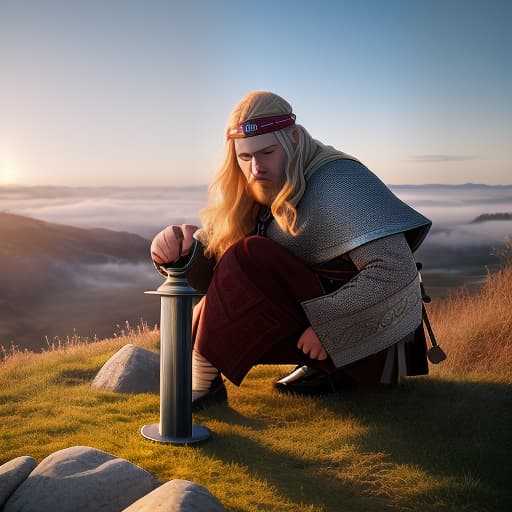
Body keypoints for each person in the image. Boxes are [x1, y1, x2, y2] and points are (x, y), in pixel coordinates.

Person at [150, 91, 433, 411]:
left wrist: (330, 329)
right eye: (245, 157)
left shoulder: (341, 181)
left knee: (250, 254)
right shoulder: (261, 182)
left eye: (267, 152)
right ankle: (200, 376)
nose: (256, 167)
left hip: (366, 346)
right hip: (317, 328)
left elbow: (395, 269)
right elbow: (223, 273)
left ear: (294, 139)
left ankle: (204, 383)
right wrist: (182, 252)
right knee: (240, 257)